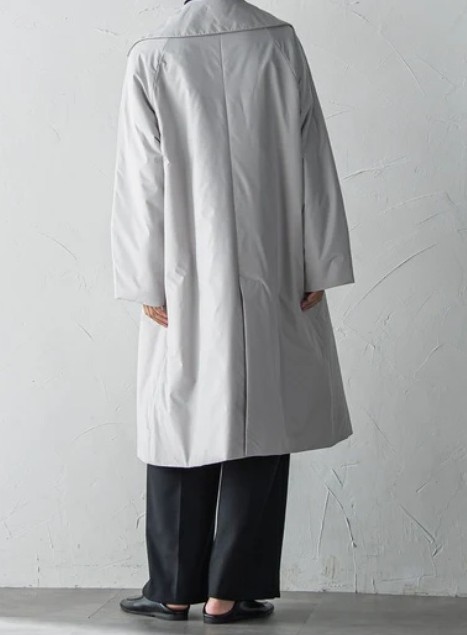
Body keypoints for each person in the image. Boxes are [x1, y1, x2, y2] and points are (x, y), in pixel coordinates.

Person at [110, 0, 355, 624]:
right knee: (263, 413)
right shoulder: (278, 42)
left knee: (178, 417)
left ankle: (172, 589)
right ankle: (230, 590)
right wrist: (319, 261)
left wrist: (145, 280)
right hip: (275, 259)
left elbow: (140, 178)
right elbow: (312, 153)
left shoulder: (154, 53)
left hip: (184, 268)